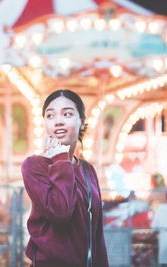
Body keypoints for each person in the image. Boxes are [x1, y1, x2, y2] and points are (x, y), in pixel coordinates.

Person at [21, 89, 109, 267]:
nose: (58, 121)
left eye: (67, 114)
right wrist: (60, 158)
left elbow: (97, 234)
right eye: (50, 116)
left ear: (82, 122)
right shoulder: (34, 166)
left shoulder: (88, 170)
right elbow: (60, 212)